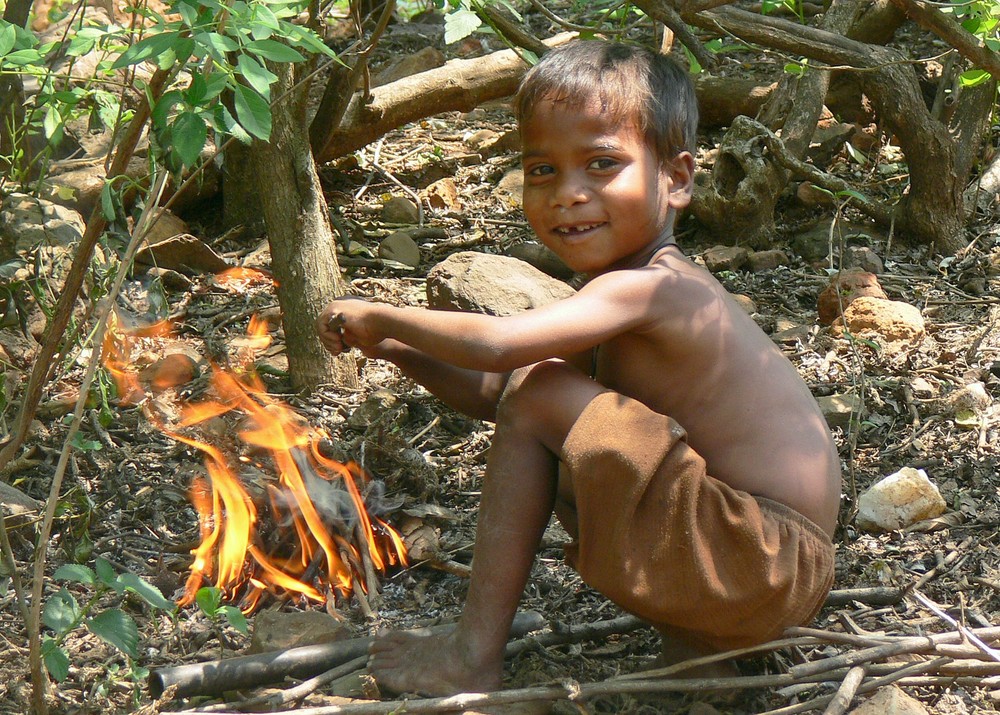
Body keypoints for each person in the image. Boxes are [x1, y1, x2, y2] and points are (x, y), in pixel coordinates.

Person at [317, 39, 840, 697]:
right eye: (542, 170)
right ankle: (702, 655)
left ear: (676, 179)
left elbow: (505, 351)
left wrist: (387, 315)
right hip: (760, 566)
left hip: (764, 560)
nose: (568, 194)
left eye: (601, 163)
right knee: (546, 409)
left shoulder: (656, 287)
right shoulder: (618, 294)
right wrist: (394, 351)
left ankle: (472, 652)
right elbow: (501, 397)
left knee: (545, 394)